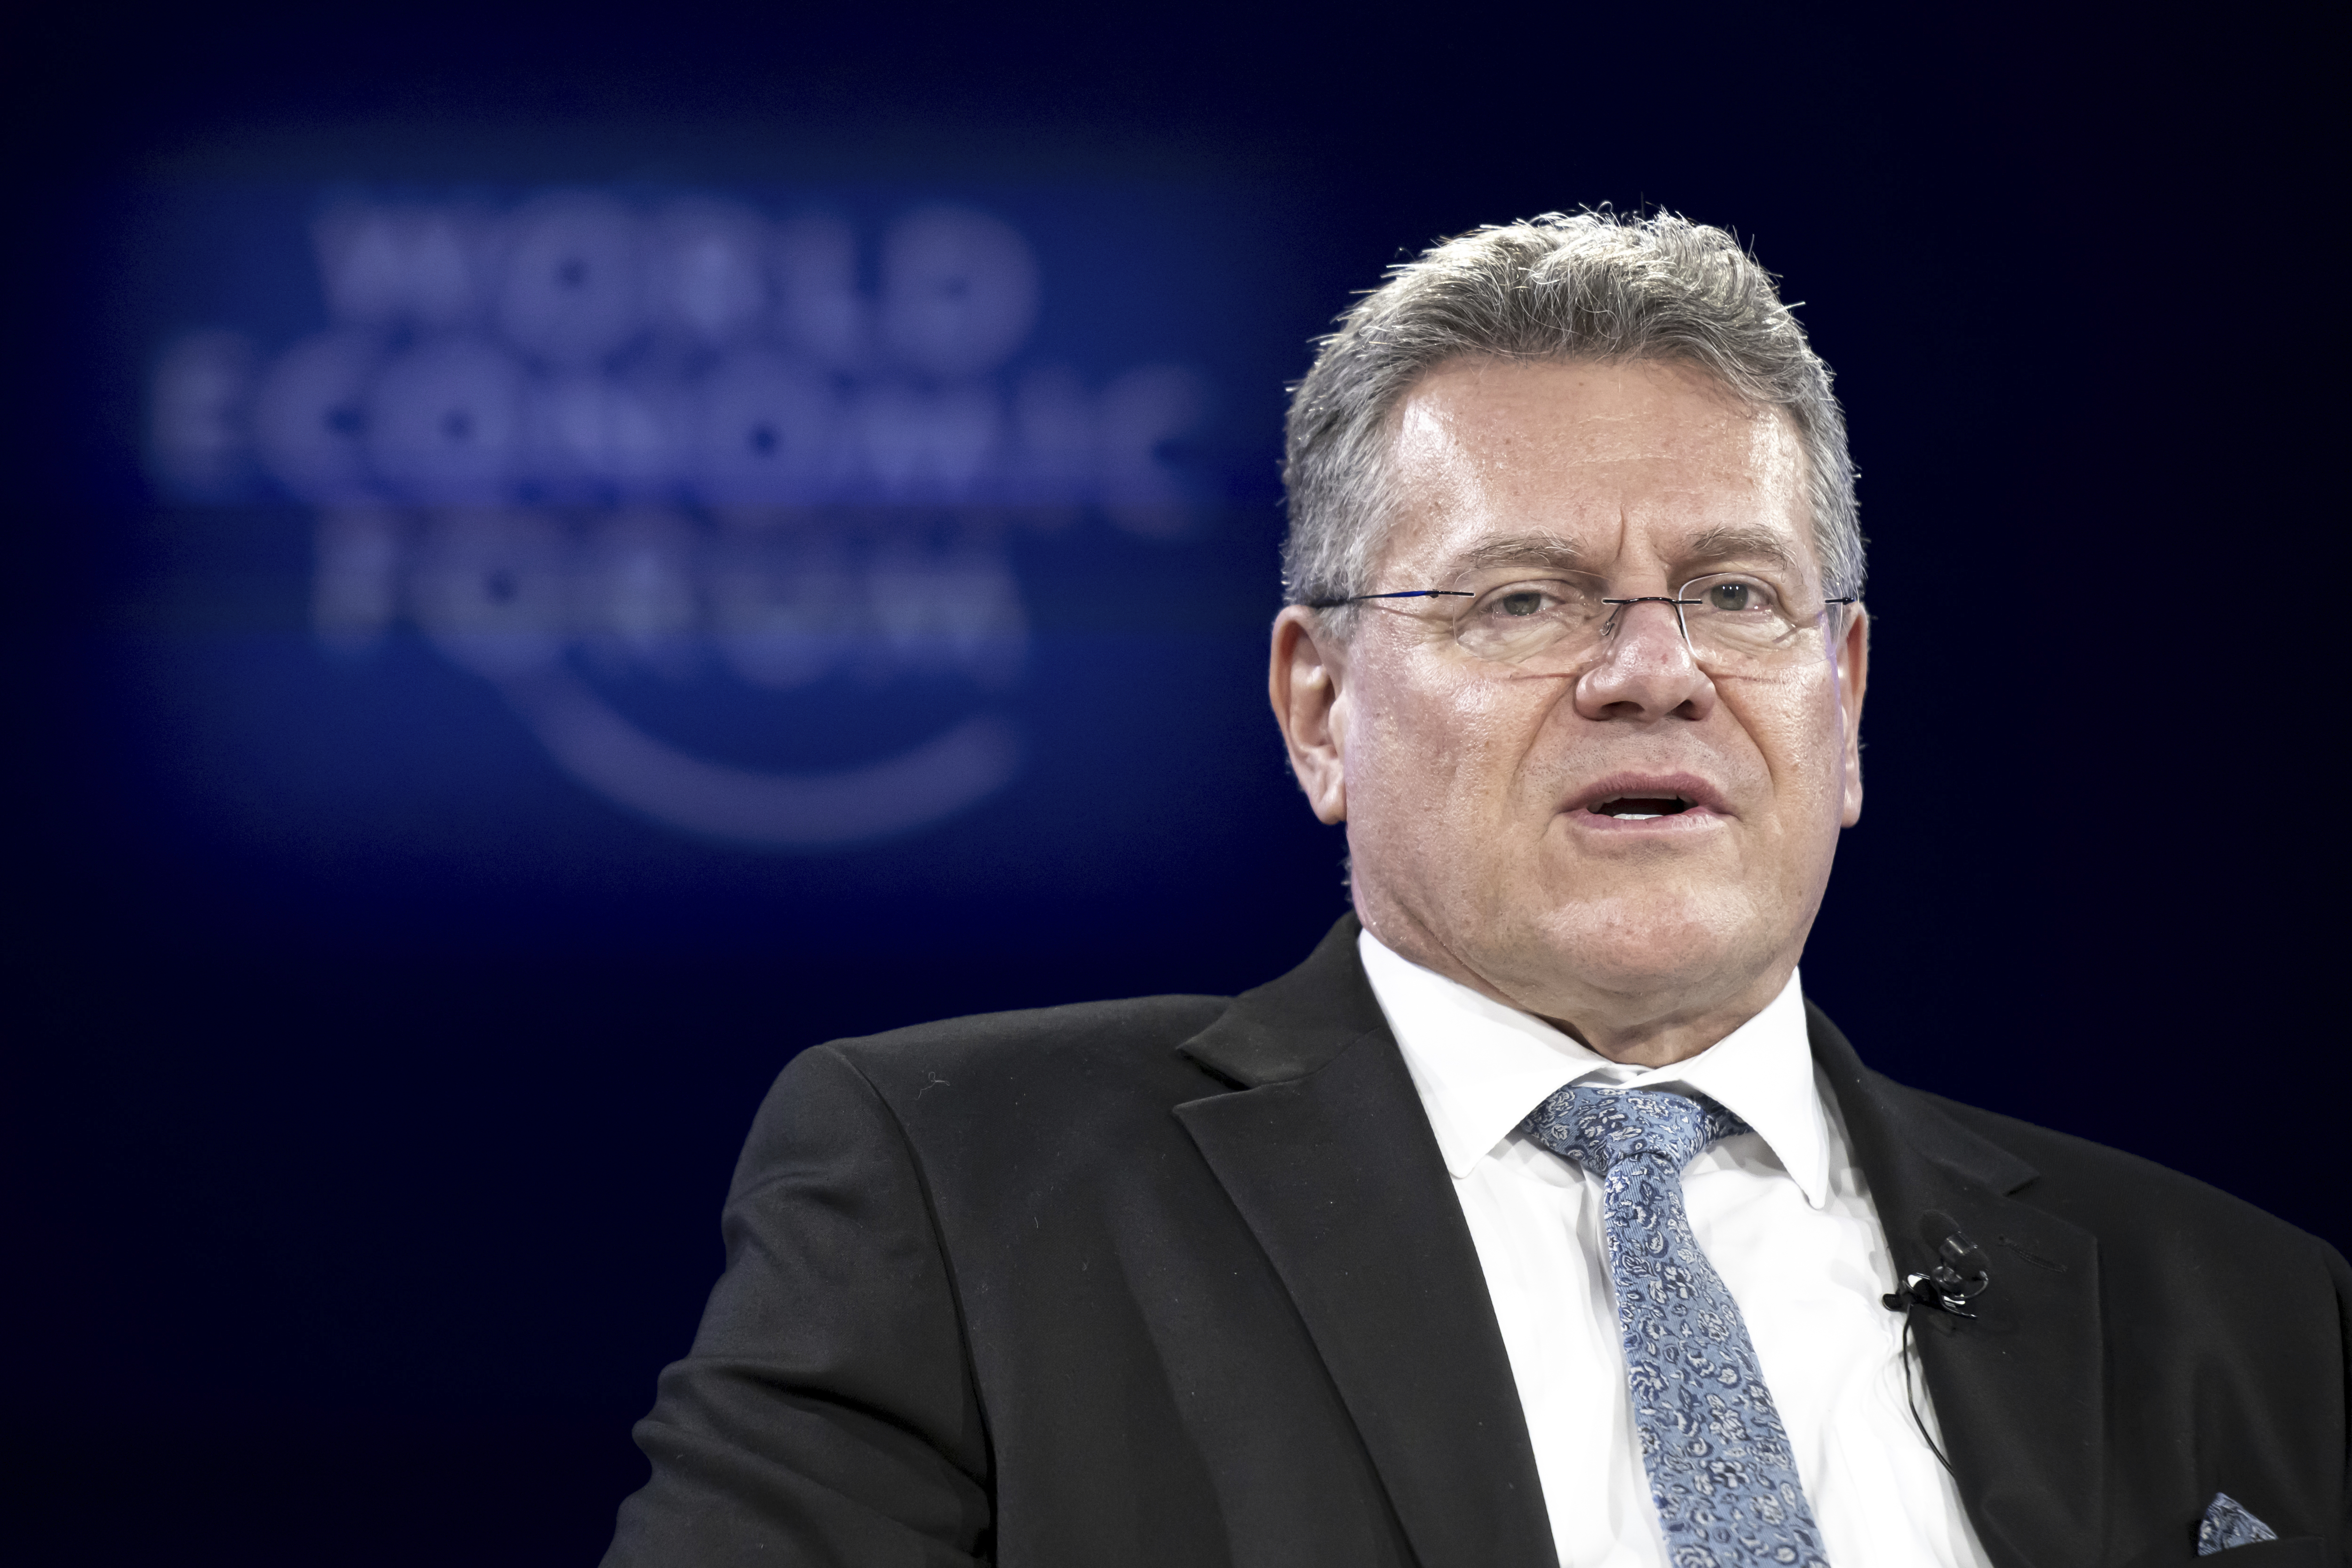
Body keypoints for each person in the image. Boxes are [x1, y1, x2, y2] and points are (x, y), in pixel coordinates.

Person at [603, 212, 2347, 1567]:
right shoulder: (965, 1189)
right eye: (1527, 600)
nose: (1655, 671)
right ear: (1319, 710)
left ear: (1849, 701)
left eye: (1738, 594)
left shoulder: (2250, 1314)